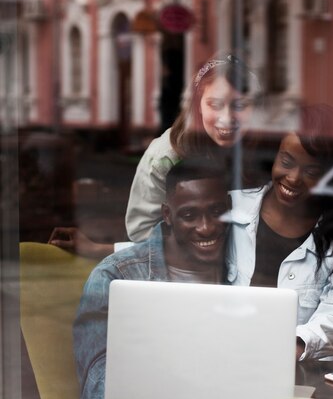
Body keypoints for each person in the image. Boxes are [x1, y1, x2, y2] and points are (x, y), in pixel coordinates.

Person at [73, 159, 231, 399]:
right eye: (189, 215)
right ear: (168, 215)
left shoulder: (240, 262)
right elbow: (96, 388)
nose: (206, 227)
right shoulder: (113, 276)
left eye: (215, 212)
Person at [50, 53, 259, 258]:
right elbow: (143, 235)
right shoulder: (166, 156)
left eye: (240, 105)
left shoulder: (265, 154)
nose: (227, 118)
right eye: (215, 104)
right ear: (198, 106)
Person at [225, 104, 333, 362]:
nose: (293, 178)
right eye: (286, 161)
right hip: (228, 352)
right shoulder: (231, 208)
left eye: (312, 171)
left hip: (298, 367)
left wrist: (293, 348)